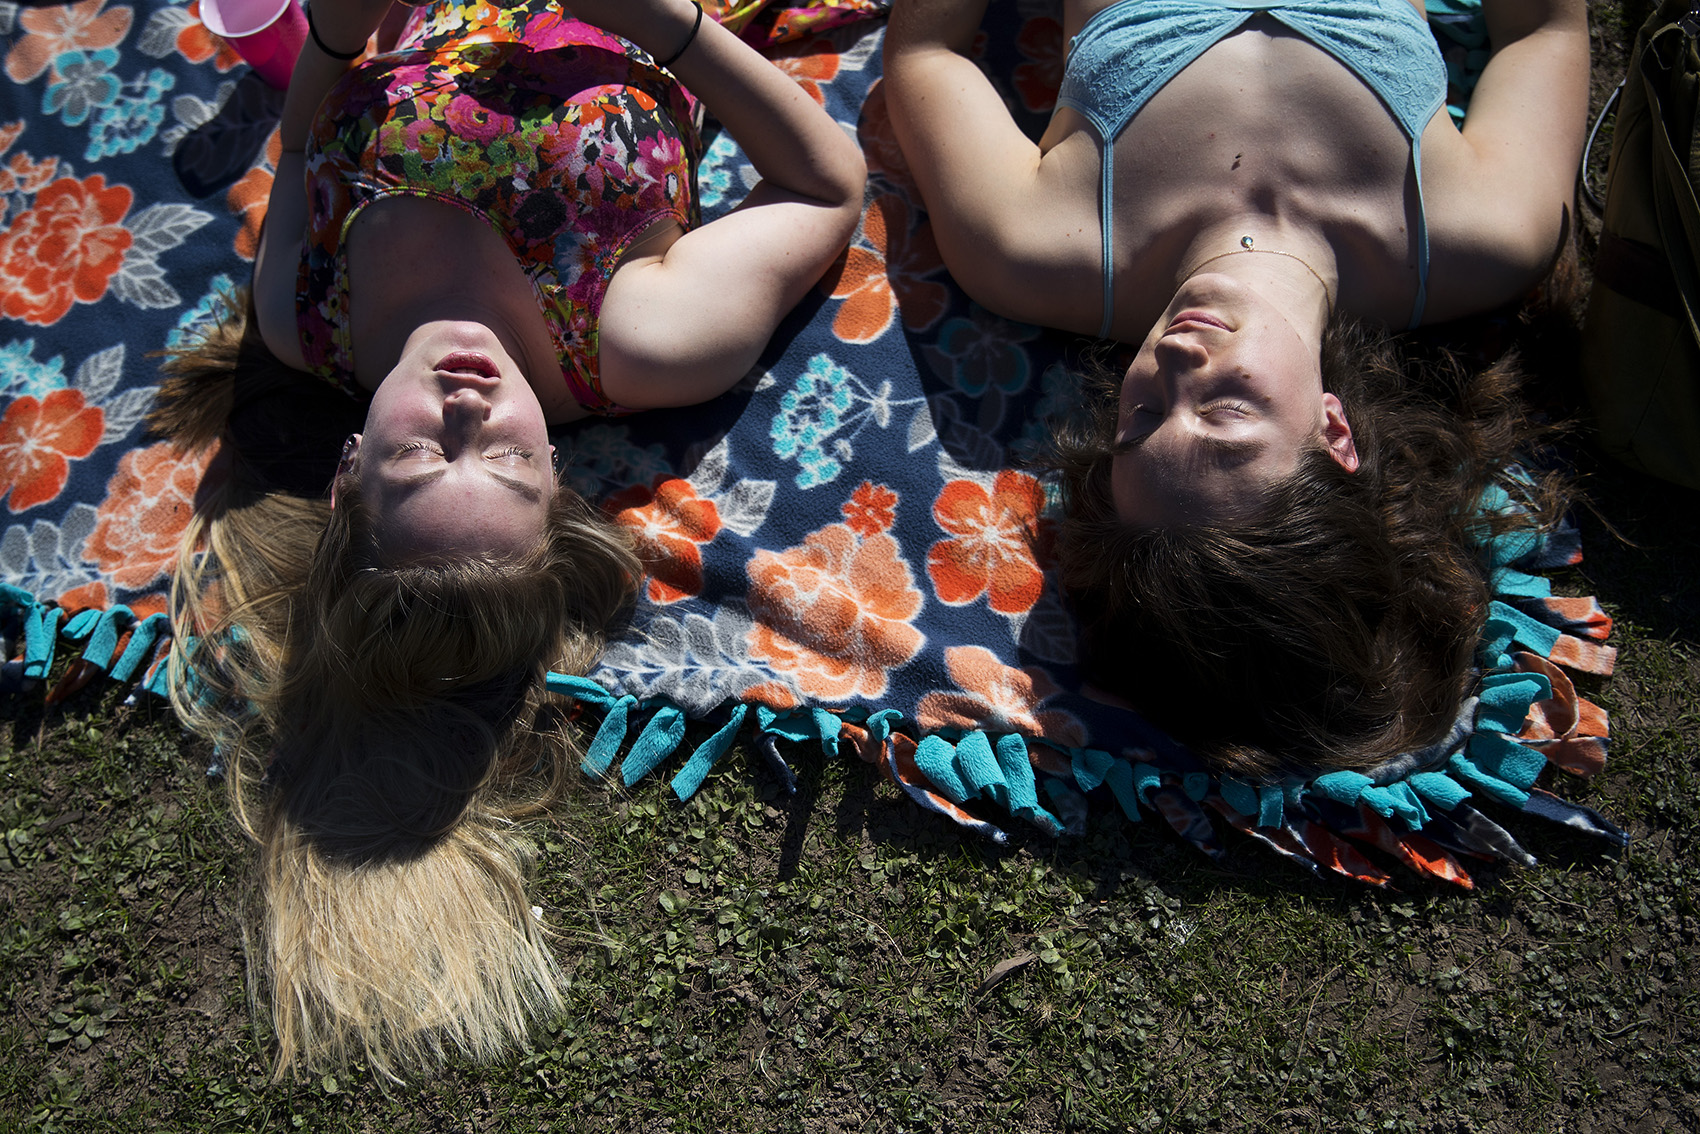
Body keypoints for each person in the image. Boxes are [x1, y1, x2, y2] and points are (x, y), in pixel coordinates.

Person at [158, 0, 864, 1078]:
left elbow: (296, 151)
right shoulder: (640, 342)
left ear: (347, 472)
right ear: (560, 482)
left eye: (417, 456)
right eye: (506, 459)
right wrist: (662, 24)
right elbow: (826, 186)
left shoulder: (304, 320)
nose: (467, 407)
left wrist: (336, 39)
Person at [882, 0, 1586, 778]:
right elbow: (1543, 30)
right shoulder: (1487, 238)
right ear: (1336, 433)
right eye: (1225, 409)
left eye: (1141, 418)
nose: (1175, 361)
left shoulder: (1027, 249)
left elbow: (925, 54)